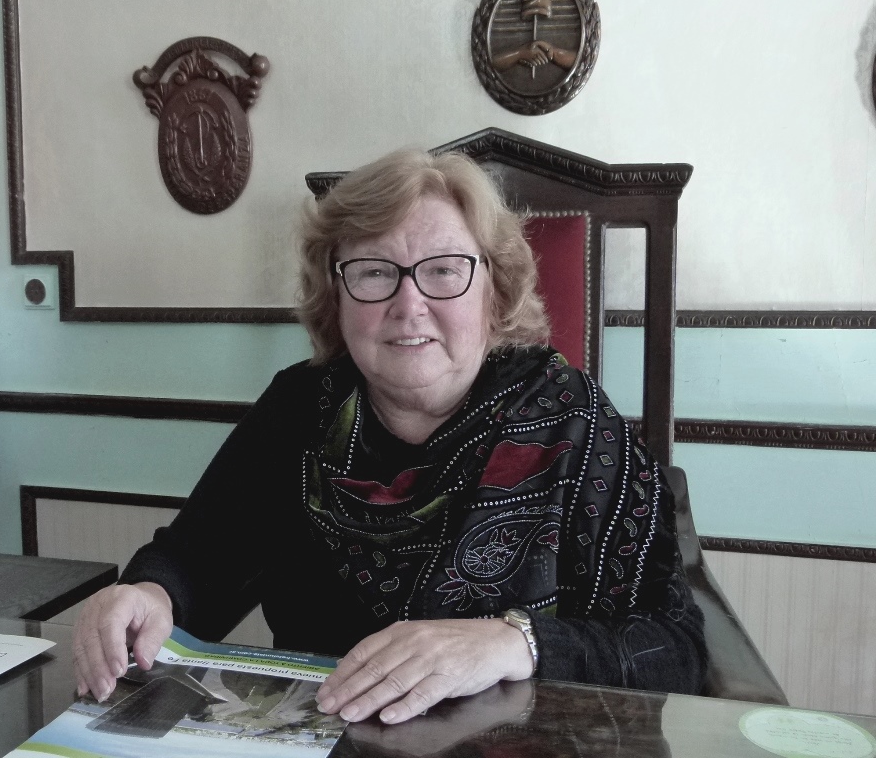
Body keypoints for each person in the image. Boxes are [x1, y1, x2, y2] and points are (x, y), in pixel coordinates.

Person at [73, 148, 706, 725]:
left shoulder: (575, 422)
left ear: (494, 291)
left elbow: (673, 647)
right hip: (327, 736)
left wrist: (513, 641)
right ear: (336, 295)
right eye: (375, 272)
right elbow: (197, 557)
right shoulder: (299, 409)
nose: (408, 304)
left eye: (445, 270)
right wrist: (146, 593)